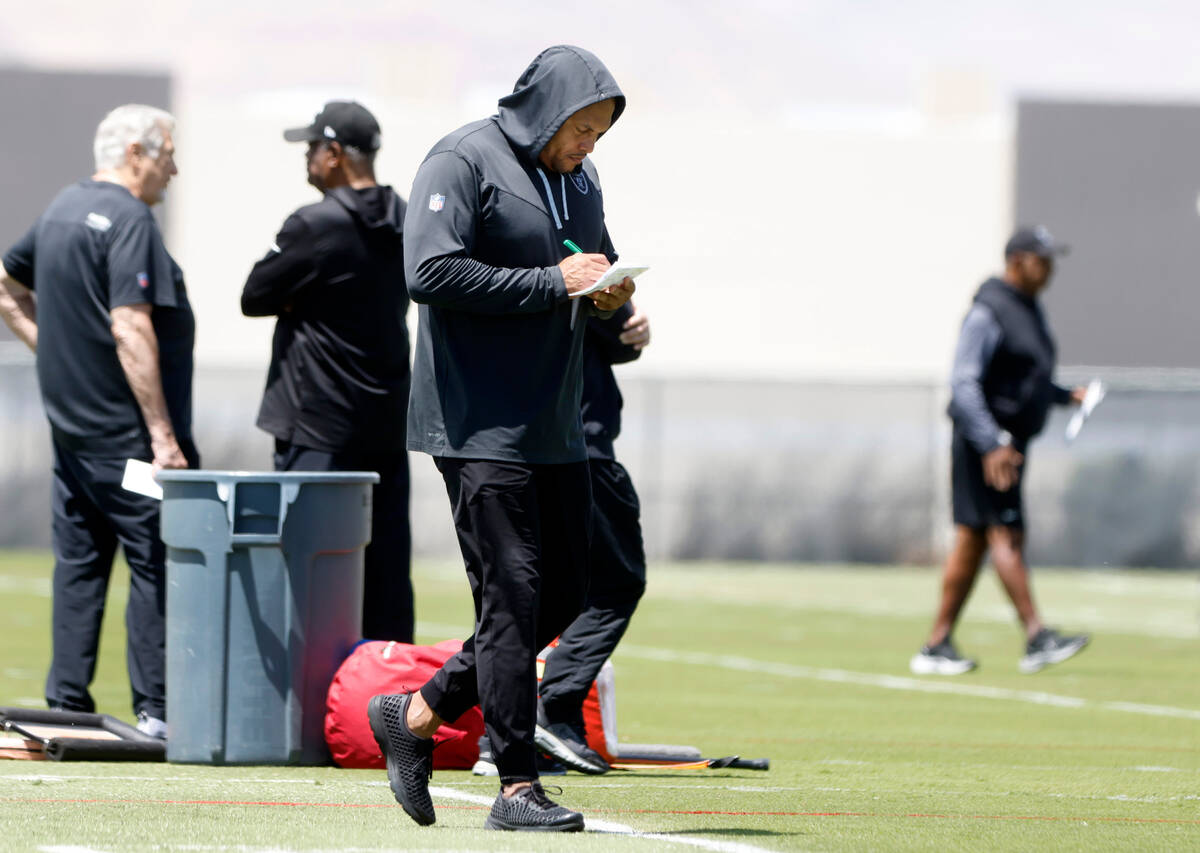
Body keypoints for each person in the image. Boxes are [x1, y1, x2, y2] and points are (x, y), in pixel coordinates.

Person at [366, 45, 635, 833]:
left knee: (570, 591)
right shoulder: (461, 160)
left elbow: (587, 266)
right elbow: (428, 272)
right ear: (547, 112)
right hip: (476, 421)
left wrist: (611, 299)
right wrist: (555, 283)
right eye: (581, 128)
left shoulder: (581, 179)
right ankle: (517, 785)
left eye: (599, 132)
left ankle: (418, 711)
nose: (588, 144)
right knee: (511, 595)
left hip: (555, 420)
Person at [0, 104, 198, 737]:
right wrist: (163, 436)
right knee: (158, 557)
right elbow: (130, 325)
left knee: (80, 564)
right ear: (137, 153)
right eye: (169, 156)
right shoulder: (129, 217)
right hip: (128, 438)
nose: (173, 170)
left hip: (73, 434)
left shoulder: (62, 207)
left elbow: (6, 286)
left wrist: (52, 351)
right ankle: (158, 709)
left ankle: (66, 703)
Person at [240, 101, 414, 642]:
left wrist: (304, 299)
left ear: (335, 153)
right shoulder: (409, 218)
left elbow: (254, 296)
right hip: (386, 422)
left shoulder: (314, 223)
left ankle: (306, 691)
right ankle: (393, 690)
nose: (307, 158)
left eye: (313, 148)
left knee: (306, 571)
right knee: (386, 575)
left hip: (317, 428)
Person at [473, 302, 652, 777]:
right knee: (611, 585)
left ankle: (501, 737)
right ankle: (553, 710)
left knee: (515, 593)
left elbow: (619, 338)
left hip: (499, 446)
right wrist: (627, 320)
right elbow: (617, 324)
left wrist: (627, 331)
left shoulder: (482, 267)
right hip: (574, 446)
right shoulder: (562, 259)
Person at [910, 226, 1090, 677]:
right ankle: (1037, 636)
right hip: (988, 445)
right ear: (1017, 261)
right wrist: (990, 442)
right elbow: (964, 382)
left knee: (973, 539)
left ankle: (936, 644)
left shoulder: (1027, 310)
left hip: (1007, 444)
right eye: (1041, 260)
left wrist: (1065, 396)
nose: (1049, 269)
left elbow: (1023, 379)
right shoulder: (990, 311)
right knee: (1005, 533)